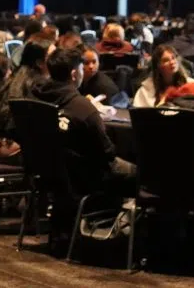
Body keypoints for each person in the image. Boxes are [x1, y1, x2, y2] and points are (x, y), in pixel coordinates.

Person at [31, 47, 136, 193]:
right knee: (136, 171)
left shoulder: (34, 98)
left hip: (46, 172)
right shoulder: (83, 107)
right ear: (74, 74)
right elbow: (107, 153)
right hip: (84, 177)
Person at [0, 35, 52, 164]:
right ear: (40, 63)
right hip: (19, 152)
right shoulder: (39, 86)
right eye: (53, 58)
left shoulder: (14, 79)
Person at [133, 44, 194, 108]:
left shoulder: (190, 84)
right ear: (158, 66)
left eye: (173, 58)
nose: (172, 62)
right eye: (166, 60)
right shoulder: (146, 89)